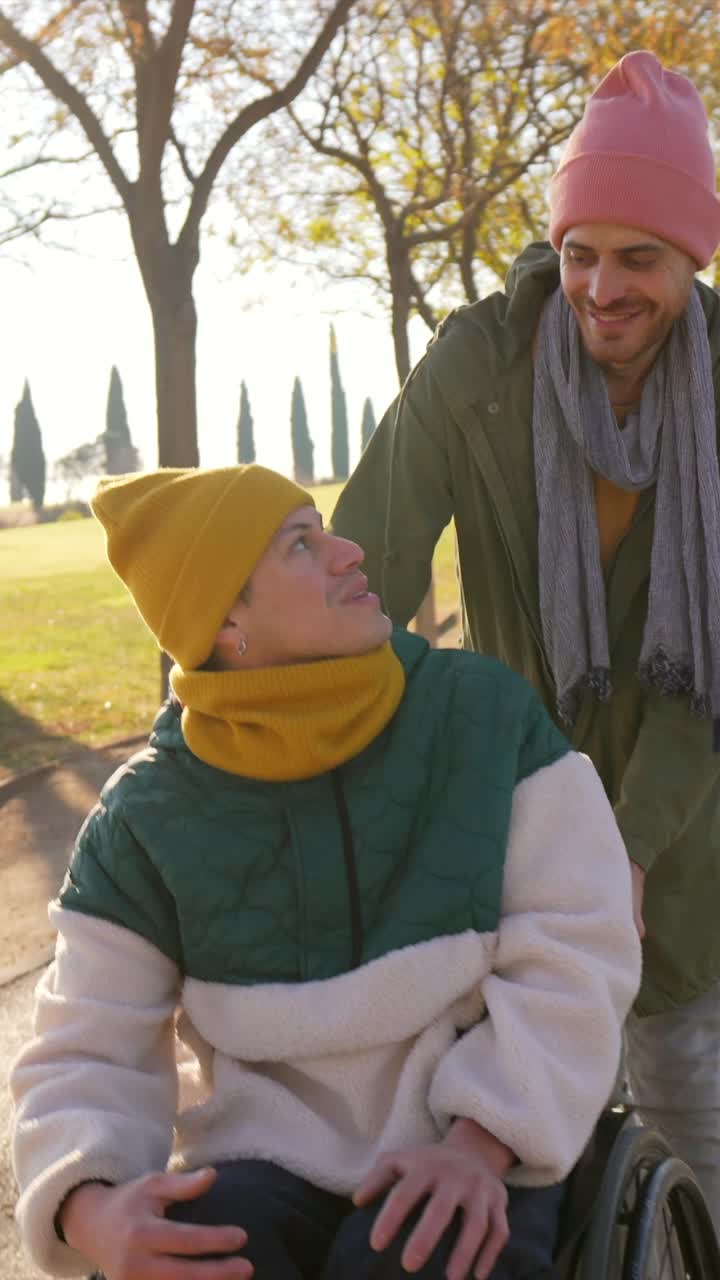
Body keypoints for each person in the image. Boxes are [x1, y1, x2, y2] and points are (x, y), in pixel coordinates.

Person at [11, 463, 640, 1280]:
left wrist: (485, 1140)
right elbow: (85, 1045)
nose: (349, 553)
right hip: (264, 1162)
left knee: (414, 1254)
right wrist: (92, 1210)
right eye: (302, 546)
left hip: (477, 1136)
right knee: (192, 1255)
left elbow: (579, 943)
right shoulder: (145, 816)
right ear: (225, 619)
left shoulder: (485, 719)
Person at [330, 49, 720, 1228]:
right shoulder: (477, 369)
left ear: (693, 259)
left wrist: (631, 848)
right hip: (505, 820)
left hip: (687, 842)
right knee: (515, 1133)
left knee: (689, 1106)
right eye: (579, 252)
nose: (602, 286)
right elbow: (365, 573)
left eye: (639, 258)